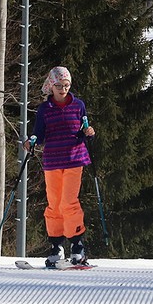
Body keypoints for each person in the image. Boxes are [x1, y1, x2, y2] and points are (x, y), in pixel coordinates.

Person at [25, 66, 95, 267]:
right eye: (59, 86)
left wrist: (88, 132)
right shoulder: (44, 109)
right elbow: (39, 133)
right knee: (54, 203)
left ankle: (77, 245)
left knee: (69, 202)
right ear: (51, 86)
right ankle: (56, 246)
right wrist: (30, 141)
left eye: (66, 85)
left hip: (74, 159)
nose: (63, 89)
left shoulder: (78, 105)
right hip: (52, 161)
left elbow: (83, 128)